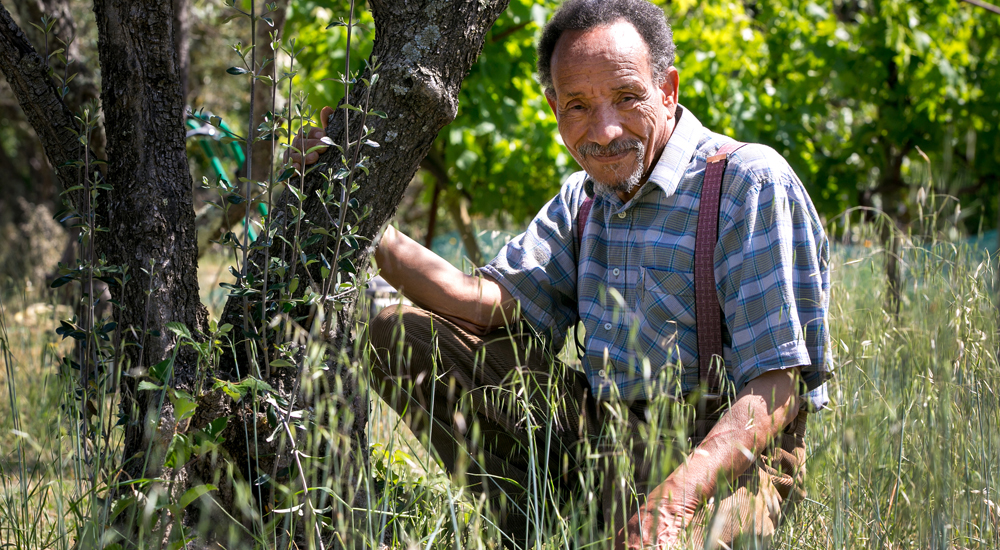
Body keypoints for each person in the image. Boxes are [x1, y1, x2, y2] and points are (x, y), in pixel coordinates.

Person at [291, 0, 830, 547]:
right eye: (578, 105)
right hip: (605, 436)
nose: (605, 130)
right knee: (400, 335)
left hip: (722, 455)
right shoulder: (584, 198)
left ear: (667, 89)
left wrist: (675, 502)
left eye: (626, 97)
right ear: (554, 108)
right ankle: (532, 528)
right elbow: (482, 300)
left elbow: (778, 387)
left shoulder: (746, 182)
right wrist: (360, 214)